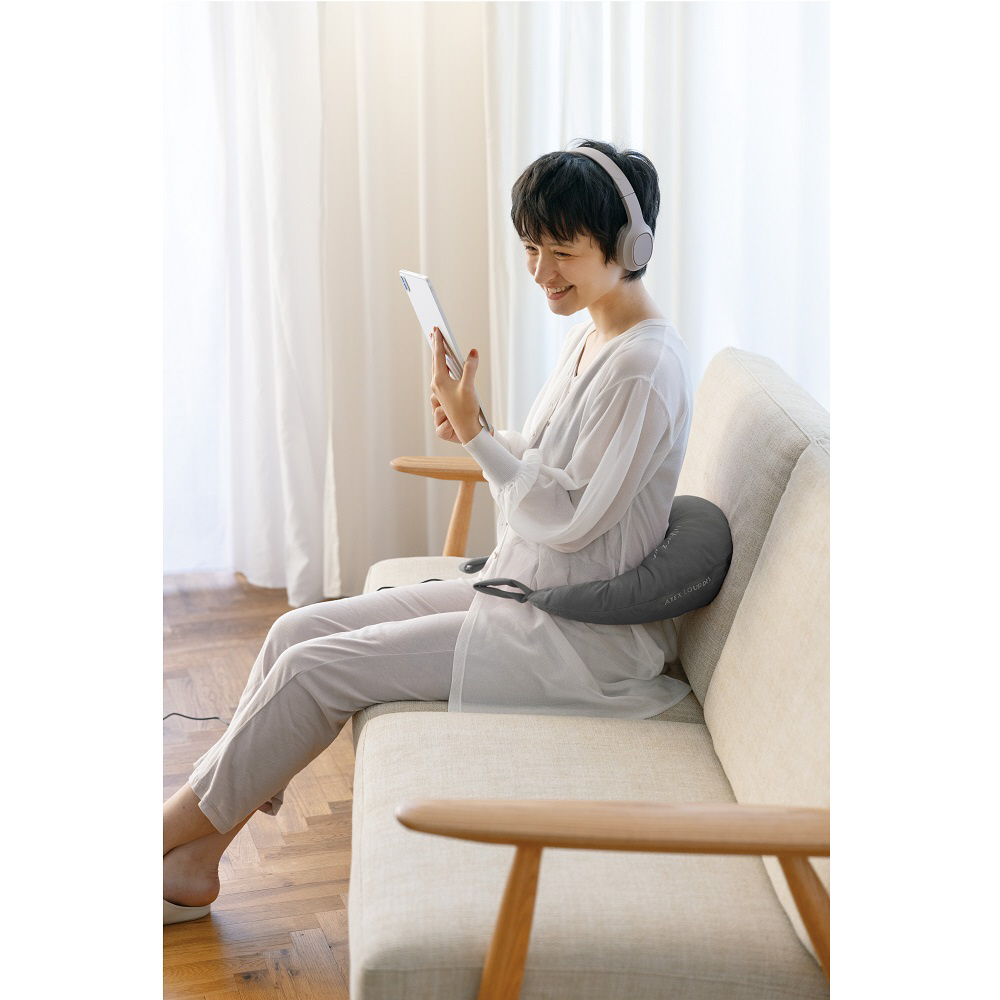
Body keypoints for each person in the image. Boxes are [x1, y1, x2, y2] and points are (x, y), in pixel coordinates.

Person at [163, 139, 693, 924]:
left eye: (562, 252)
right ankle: (197, 860)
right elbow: (554, 469)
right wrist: (481, 434)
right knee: (292, 633)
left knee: (313, 670)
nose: (541, 271)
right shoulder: (595, 335)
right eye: (530, 248)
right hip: (525, 591)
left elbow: (569, 520)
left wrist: (479, 436)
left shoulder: (645, 369)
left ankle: (164, 834)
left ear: (629, 247)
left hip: (577, 637)